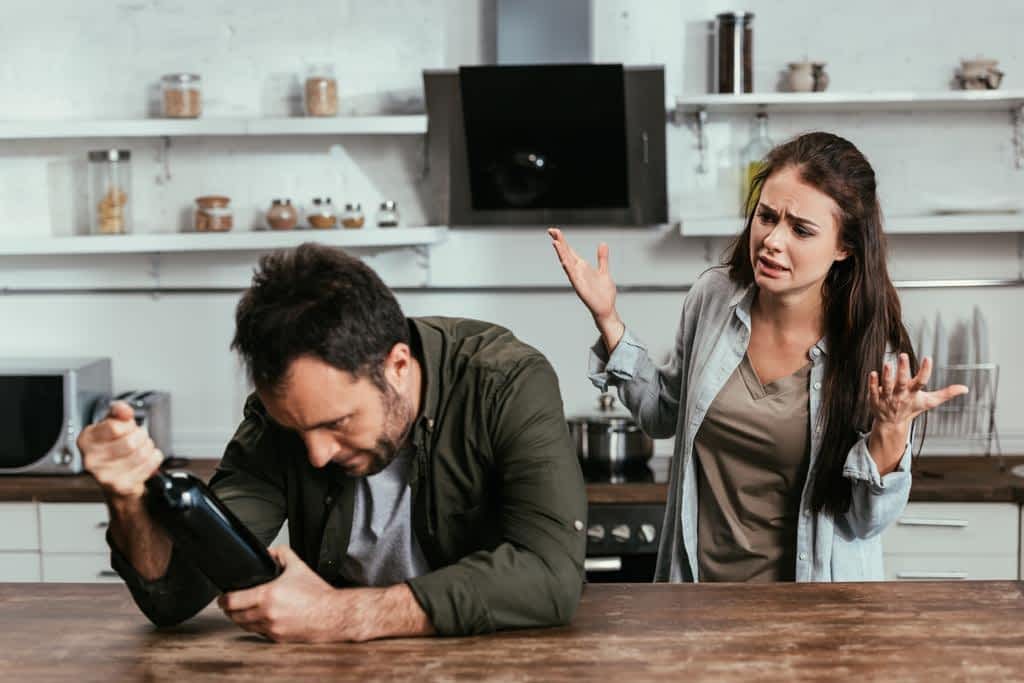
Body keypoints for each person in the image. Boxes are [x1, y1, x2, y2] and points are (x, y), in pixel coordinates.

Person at [79, 243, 586, 642]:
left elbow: (549, 577)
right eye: (297, 429)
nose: (316, 454)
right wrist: (127, 501)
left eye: (337, 422)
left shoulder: (505, 380)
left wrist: (341, 615)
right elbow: (173, 597)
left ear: (398, 366)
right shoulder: (280, 417)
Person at [548, 132, 967, 583]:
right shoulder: (713, 299)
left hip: (812, 614)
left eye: (801, 230)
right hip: (695, 600)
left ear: (845, 247)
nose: (772, 240)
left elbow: (865, 522)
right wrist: (609, 320)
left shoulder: (868, 351)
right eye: (766, 217)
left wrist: (890, 431)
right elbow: (663, 412)